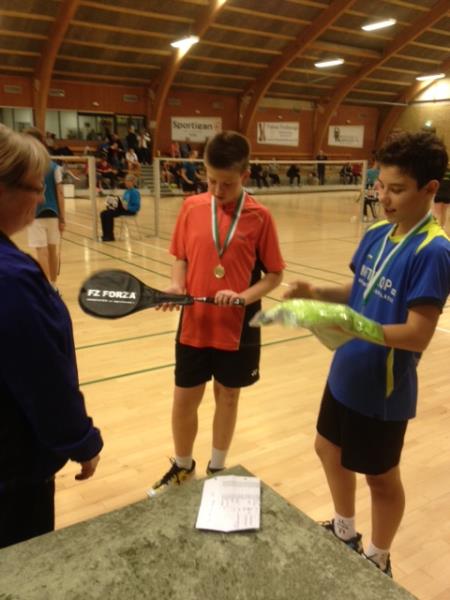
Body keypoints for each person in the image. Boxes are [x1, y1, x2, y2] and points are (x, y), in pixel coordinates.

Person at [283, 131, 449, 577]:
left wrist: (358, 326)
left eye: (397, 189)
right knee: (326, 448)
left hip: (383, 388)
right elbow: (360, 288)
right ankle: (344, 531)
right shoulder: (377, 233)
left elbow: (418, 334)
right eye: (380, 186)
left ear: (430, 189)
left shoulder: (434, 252)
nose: (384, 198)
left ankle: (378, 557)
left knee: (380, 478)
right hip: (346, 369)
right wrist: (315, 290)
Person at [148, 131, 285, 495]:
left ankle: (218, 468)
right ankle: (182, 466)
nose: (217, 190)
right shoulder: (192, 207)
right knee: (184, 398)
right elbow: (181, 257)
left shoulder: (260, 217)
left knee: (228, 396)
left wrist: (242, 297)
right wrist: (176, 285)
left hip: (237, 327)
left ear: (245, 175)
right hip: (194, 322)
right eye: (210, 181)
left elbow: (274, 275)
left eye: (227, 183)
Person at [0, 124, 103, 548]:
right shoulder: (12, 280)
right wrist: (81, 441)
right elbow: (42, 379)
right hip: (12, 474)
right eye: (34, 187)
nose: (40, 198)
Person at [25, 127, 65, 290]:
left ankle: (47, 289)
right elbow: (60, 193)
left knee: (42, 251)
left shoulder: (26, 165)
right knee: (52, 250)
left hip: (35, 213)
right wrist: (62, 218)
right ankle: (53, 287)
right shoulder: (55, 167)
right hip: (53, 213)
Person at [100, 173, 141, 241]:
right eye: (126, 181)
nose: (126, 183)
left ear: (133, 182)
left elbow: (137, 207)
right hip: (123, 209)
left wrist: (128, 207)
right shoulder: (126, 192)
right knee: (103, 213)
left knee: (109, 214)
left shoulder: (135, 192)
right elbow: (124, 202)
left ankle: (110, 237)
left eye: (128, 181)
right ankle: (105, 235)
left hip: (129, 211)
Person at [433, 164, 449, 228]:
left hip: (445, 192)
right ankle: (440, 226)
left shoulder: (439, 169)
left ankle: (441, 226)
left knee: (442, 211)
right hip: (440, 191)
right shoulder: (439, 169)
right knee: (440, 211)